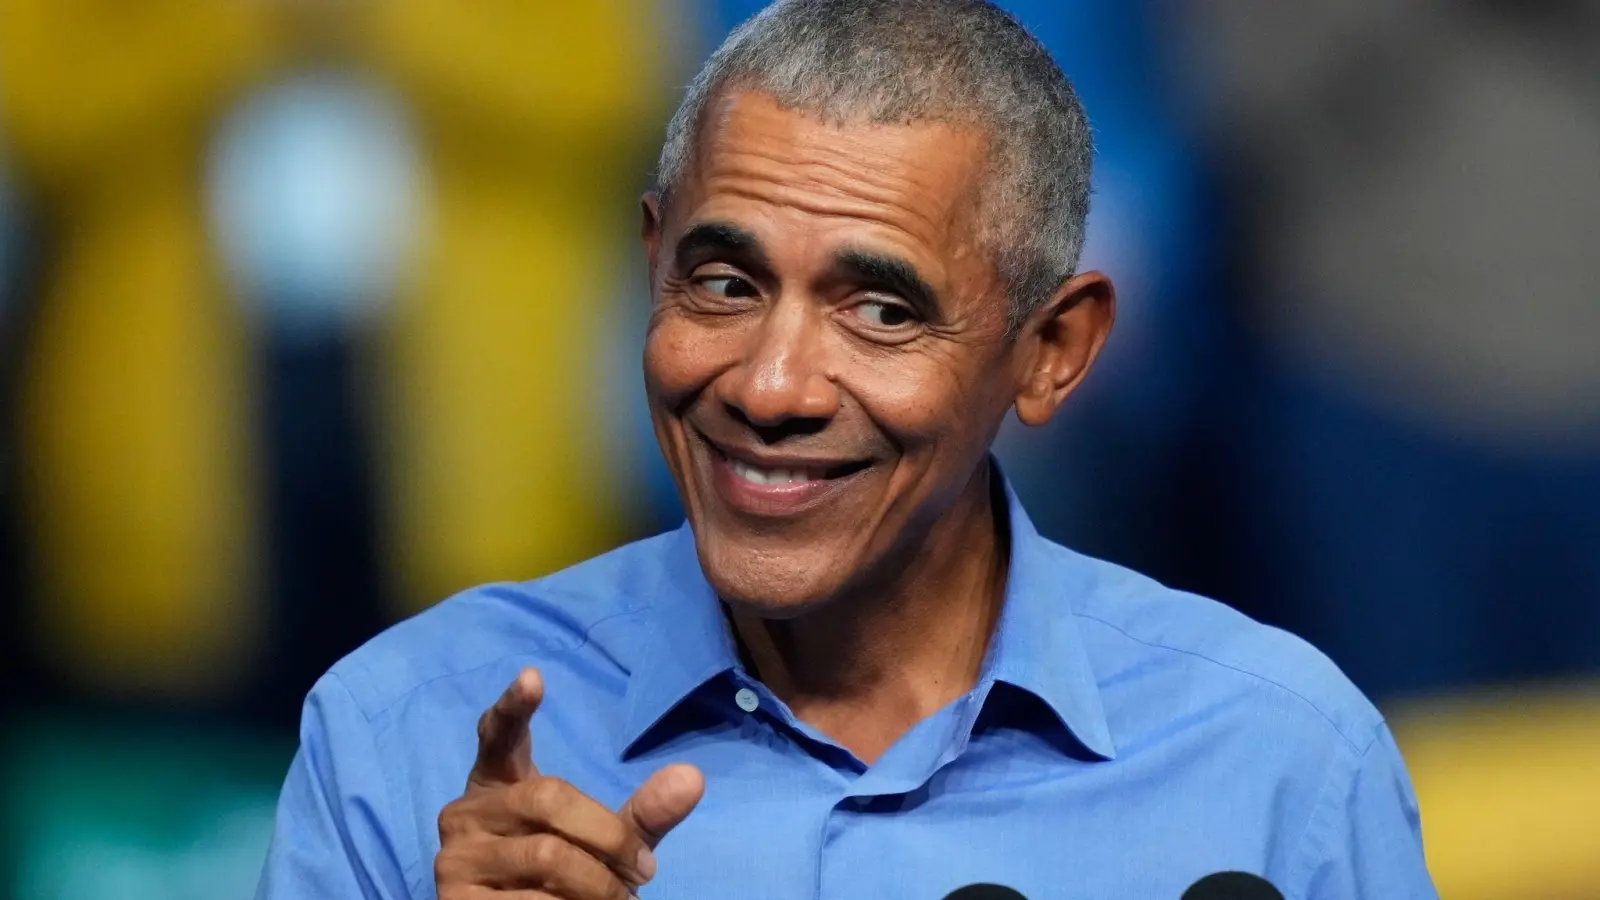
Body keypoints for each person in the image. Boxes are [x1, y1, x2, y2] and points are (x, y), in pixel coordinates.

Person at [256, 1, 1438, 897]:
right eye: (722, 284)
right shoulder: (400, 739)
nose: (770, 387)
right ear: (649, 263)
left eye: (881, 311)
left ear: (1052, 352)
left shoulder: (1279, 763)